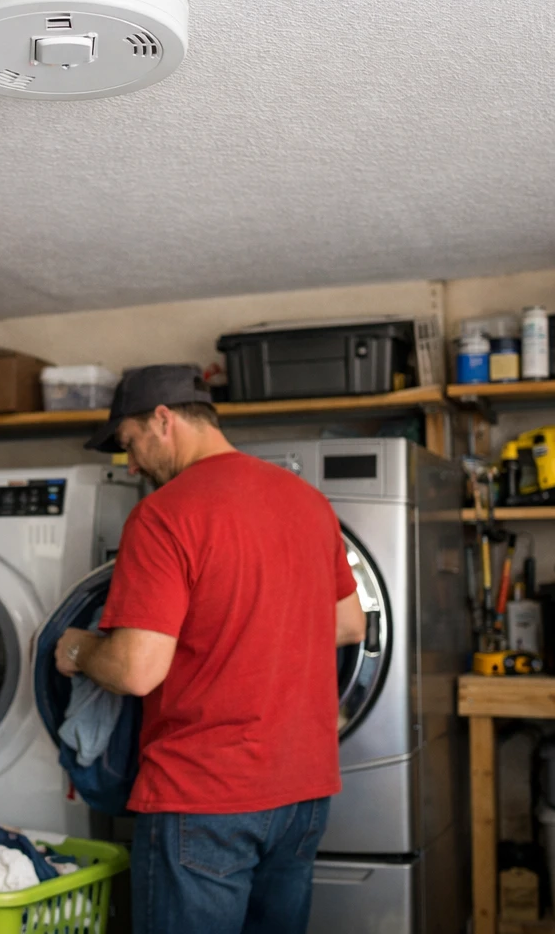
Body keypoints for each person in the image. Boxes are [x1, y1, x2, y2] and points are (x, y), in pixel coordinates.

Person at [56, 364, 366, 934]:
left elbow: (137, 669)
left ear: (163, 420)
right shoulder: (307, 502)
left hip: (204, 796)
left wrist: (78, 650)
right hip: (303, 791)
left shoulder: (165, 514)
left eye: (129, 445)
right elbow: (349, 624)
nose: (131, 465)